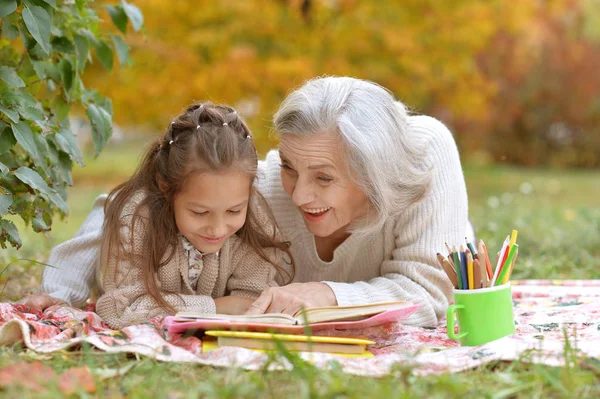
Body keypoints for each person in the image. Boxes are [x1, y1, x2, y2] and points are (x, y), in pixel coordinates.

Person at [22, 77, 469, 327]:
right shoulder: (257, 191)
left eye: (324, 178)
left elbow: (433, 296)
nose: (298, 194)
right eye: (291, 166)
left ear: (375, 173)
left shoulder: (425, 153)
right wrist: (66, 288)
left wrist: (324, 294)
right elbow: (124, 207)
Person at [42, 103, 292, 329]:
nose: (217, 229)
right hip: (107, 233)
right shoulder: (136, 218)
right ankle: (61, 290)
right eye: (200, 212)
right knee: (107, 213)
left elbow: (253, 302)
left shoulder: (255, 217)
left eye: (234, 211)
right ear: (166, 188)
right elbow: (119, 309)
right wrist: (215, 307)